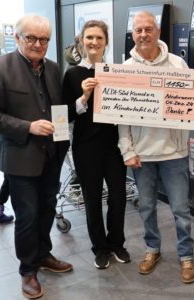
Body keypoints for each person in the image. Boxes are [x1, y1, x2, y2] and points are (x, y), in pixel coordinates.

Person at [0, 14, 73, 299]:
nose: (37, 44)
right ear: (18, 38)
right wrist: (28, 127)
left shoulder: (54, 68)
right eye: (31, 38)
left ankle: (44, 255)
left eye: (43, 39)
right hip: (20, 157)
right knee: (27, 216)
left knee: (46, 209)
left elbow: (59, 109)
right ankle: (28, 271)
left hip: (52, 156)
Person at [118, 11, 194, 284]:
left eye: (148, 29)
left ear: (157, 32)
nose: (143, 34)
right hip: (141, 154)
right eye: (138, 30)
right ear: (133, 34)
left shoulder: (178, 65)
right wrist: (127, 149)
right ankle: (152, 249)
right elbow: (122, 117)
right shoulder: (126, 68)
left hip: (174, 153)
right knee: (146, 207)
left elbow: (188, 106)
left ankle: (186, 256)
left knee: (180, 209)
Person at [62, 20, 129, 270]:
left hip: (114, 145)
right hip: (85, 146)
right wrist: (83, 98)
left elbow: (129, 106)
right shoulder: (72, 74)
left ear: (106, 42)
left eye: (99, 38)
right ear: (81, 40)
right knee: (92, 198)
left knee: (118, 196)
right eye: (89, 37)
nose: (94, 42)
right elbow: (64, 114)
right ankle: (100, 248)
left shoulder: (115, 72)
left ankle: (117, 243)